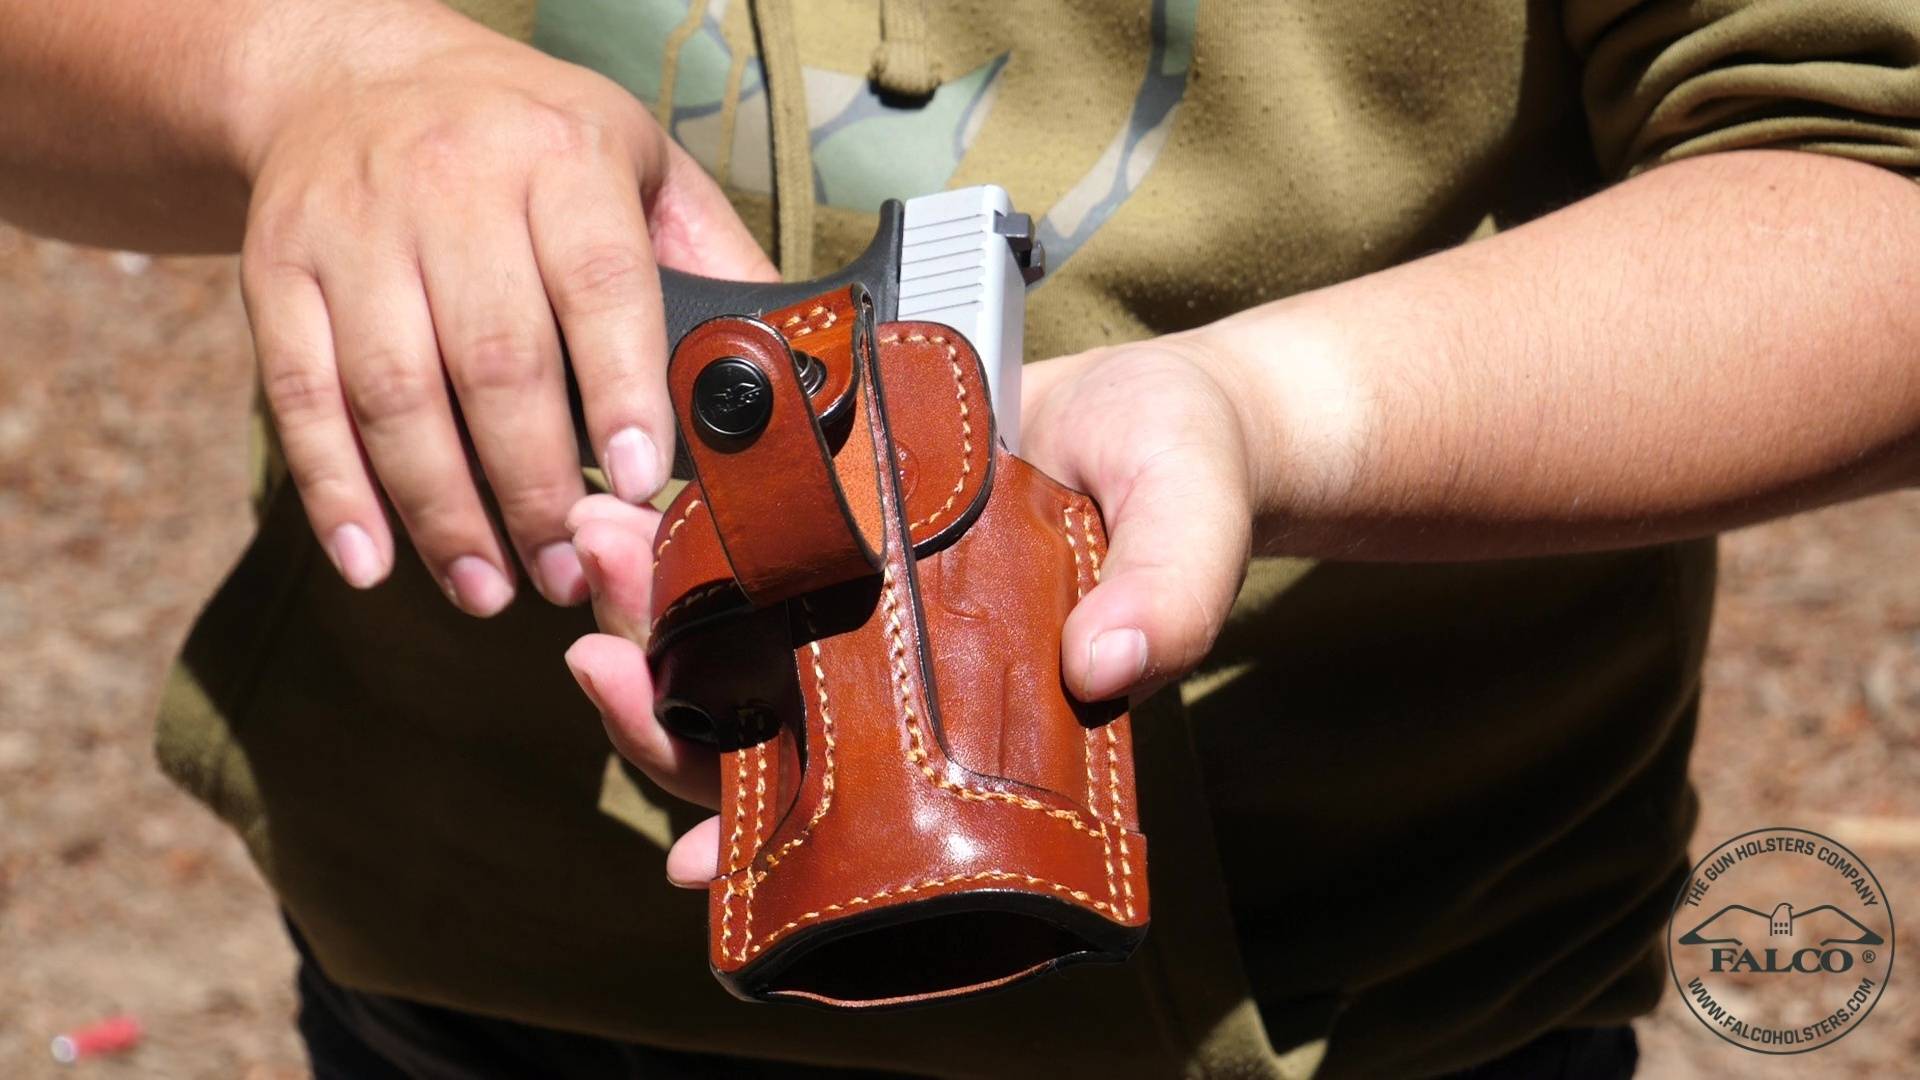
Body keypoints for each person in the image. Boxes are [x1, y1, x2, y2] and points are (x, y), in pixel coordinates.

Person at [4, 0, 1917, 1076]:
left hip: (1365, 1006)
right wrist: (312, 75)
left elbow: (1872, 188)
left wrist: (1270, 418)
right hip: (470, 959)